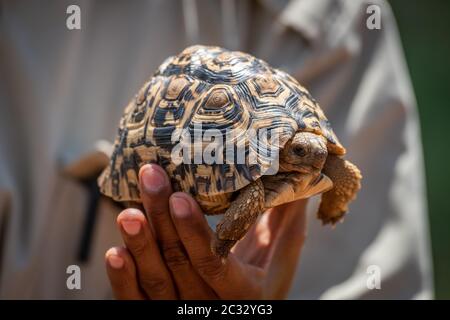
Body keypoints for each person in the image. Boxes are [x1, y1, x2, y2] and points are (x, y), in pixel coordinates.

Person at [0, 0, 433, 299]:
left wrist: (333, 204)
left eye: (316, 151)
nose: (316, 160)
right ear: (282, 151)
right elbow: (254, 193)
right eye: (302, 154)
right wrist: (221, 246)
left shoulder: (333, 19)